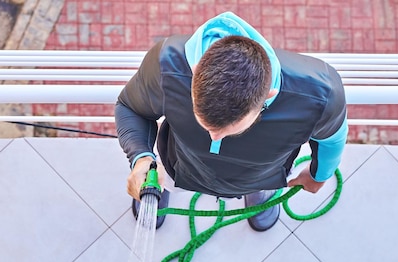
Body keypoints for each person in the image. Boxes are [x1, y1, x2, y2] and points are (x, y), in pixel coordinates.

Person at [115, 12, 348, 231]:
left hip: (261, 176)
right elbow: (130, 107)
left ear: (267, 96)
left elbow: (331, 139)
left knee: (260, 186)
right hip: (178, 164)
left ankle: (258, 195)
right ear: (196, 72)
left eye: (228, 129)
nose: (213, 138)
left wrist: (320, 174)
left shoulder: (320, 94)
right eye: (205, 122)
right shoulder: (166, 66)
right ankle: (159, 186)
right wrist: (141, 157)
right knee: (162, 176)